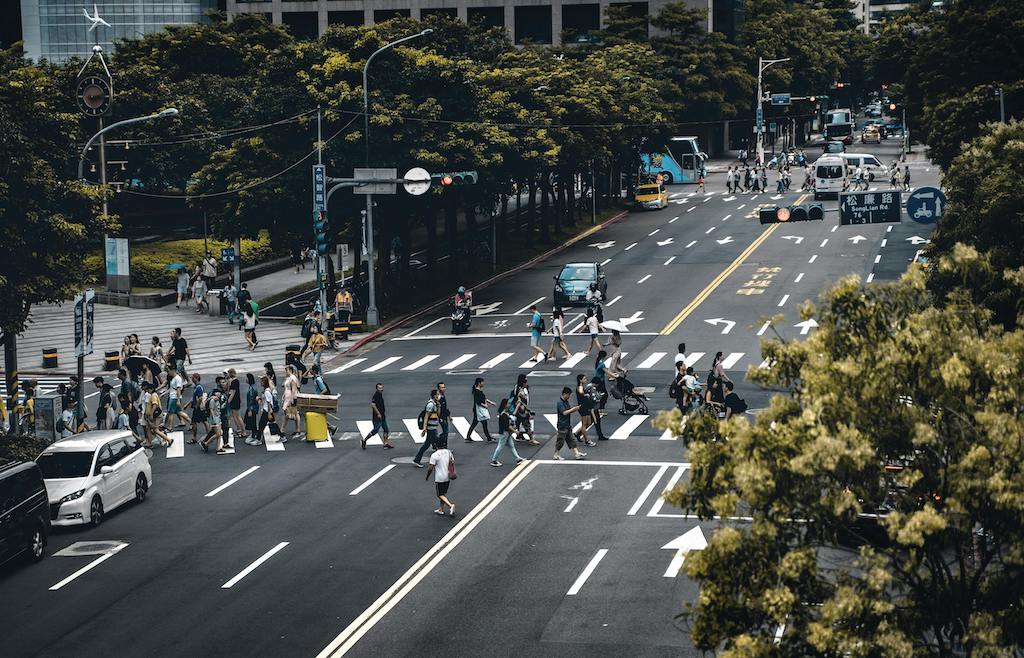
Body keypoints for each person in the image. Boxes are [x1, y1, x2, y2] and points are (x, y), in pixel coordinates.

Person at [554, 387, 587, 461]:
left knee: (571, 439)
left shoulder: (566, 401)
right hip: (562, 425)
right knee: (560, 440)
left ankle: (577, 453)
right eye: (568, 395)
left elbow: (568, 410)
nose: (569, 397)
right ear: (564, 394)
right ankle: (556, 454)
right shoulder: (560, 403)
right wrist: (573, 409)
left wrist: (574, 409)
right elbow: (564, 412)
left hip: (567, 424)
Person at [490, 398, 523, 467]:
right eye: (508, 403)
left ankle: (518, 458)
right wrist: (515, 431)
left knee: (511, 446)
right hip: (504, 433)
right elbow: (507, 426)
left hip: (506, 433)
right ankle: (494, 460)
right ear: (505, 405)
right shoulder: (504, 415)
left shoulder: (505, 413)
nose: (509, 405)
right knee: (500, 446)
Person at [413, 389, 442, 468]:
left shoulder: (435, 404)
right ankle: (441, 460)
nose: (439, 396)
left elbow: (438, 414)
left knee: (427, 445)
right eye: (438, 394)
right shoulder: (430, 405)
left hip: (433, 427)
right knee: (438, 442)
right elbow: (426, 417)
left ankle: (417, 460)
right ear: (434, 395)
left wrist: (439, 406)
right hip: (430, 428)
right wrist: (425, 428)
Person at [426, 444, 456, 516]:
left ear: (436, 446)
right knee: (443, 493)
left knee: (439, 494)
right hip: (447, 476)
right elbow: (452, 461)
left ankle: (450, 505)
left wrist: (427, 476)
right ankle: (441, 509)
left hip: (439, 477)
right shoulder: (448, 452)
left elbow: (430, 467)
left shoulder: (435, 455)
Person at [361, 383, 393, 449]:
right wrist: (378, 413)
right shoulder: (376, 395)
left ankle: (385, 443)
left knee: (386, 429)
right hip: (377, 417)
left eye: (382, 388)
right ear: (377, 389)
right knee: (375, 430)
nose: (381, 389)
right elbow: (373, 405)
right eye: (379, 388)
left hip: (382, 416)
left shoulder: (380, 395)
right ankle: (364, 440)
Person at [510, 374, 538, 445]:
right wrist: (523, 410)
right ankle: (531, 439)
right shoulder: (520, 391)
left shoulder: (517, 388)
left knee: (518, 423)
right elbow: (519, 402)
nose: (527, 383)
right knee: (527, 424)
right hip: (522, 410)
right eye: (525, 382)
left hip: (520, 409)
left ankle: (519, 435)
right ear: (523, 383)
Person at [142, 382, 171, 448]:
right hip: (152, 415)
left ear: (152, 389)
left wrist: (151, 414)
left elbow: (155, 405)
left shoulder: (153, 395)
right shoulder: (153, 395)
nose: (147, 391)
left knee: (155, 430)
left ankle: (169, 439)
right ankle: (150, 443)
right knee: (149, 429)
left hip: (155, 416)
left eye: (148, 389)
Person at [467, 377, 495, 442]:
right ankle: (489, 438)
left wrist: (490, 402)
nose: (483, 383)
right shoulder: (477, 392)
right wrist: (485, 405)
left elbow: (484, 398)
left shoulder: (479, 391)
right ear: (479, 383)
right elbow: (478, 401)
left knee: (475, 423)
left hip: (478, 410)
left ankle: (468, 436)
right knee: (484, 423)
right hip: (478, 410)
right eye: (482, 382)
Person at [575, 374, 598, 446]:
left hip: (586, 407)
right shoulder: (580, 386)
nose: (586, 380)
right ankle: (587, 440)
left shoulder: (582, 386)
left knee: (589, 422)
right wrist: (585, 395)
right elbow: (581, 391)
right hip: (583, 407)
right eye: (584, 379)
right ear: (580, 380)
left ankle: (577, 433)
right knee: (584, 424)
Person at [186, 373, 208, 445]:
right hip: (198, 407)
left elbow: (200, 398)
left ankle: (194, 438)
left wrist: (196, 406)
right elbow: (194, 398)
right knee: (203, 421)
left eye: (193, 378)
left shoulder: (198, 387)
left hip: (198, 408)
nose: (192, 379)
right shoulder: (197, 387)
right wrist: (187, 404)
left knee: (195, 422)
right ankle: (208, 434)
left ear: (196, 378)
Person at [166, 366, 189, 430]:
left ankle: (169, 427)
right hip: (173, 396)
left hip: (174, 398)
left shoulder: (177, 378)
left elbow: (178, 389)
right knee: (179, 412)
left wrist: (178, 400)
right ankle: (190, 422)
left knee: (171, 413)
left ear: (173, 370)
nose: (168, 372)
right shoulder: (174, 378)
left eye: (169, 371)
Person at [225, 368, 245, 440]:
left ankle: (242, 431)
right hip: (236, 400)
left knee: (237, 416)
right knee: (235, 416)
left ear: (231, 373)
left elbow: (232, 393)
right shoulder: (235, 381)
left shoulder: (234, 382)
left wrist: (228, 402)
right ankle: (239, 430)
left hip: (234, 400)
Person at [282, 365, 301, 438]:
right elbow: (287, 387)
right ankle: (297, 429)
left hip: (290, 397)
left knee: (289, 413)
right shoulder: (288, 378)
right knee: (294, 413)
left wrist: (292, 399)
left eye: (286, 370)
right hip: (287, 396)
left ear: (290, 370)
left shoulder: (293, 378)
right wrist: (284, 394)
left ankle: (282, 429)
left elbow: (293, 389)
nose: (285, 372)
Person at [244, 373, 261, 445]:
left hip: (252, 408)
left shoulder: (251, 388)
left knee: (251, 421)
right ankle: (253, 434)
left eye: (246, 378)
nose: (245, 379)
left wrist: (250, 410)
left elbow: (251, 399)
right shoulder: (252, 386)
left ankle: (254, 435)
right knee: (251, 421)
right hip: (253, 407)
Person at [437, 381, 452, 446]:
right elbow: (438, 409)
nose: (444, 389)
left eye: (444, 387)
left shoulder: (443, 396)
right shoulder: (438, 397)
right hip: (441, 417)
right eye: (442, 387)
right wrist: (439, 417)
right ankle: (440, 443)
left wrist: (449, 416)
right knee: (445, 432)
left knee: (445, 431)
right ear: (439, 388)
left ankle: (442, 444)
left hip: (444, 416)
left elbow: (445, 408)